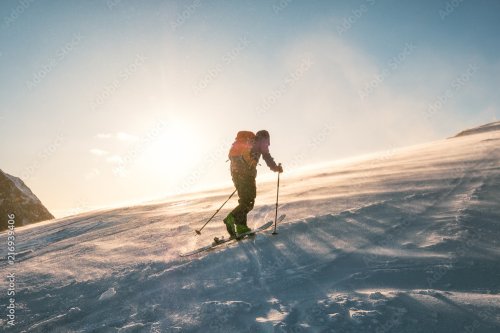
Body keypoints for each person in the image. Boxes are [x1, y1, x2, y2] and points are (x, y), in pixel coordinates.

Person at [223, 130, 283, 238]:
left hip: (235, 173)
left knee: (244, 200)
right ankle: (231, 218)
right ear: (265, 138)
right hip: (245, 174)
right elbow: (267, 156)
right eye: (267, 141)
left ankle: (241, 227)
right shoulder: (260, 141)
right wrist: (276, 168)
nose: (267, 143)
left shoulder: (247, 142)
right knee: (249, 200)